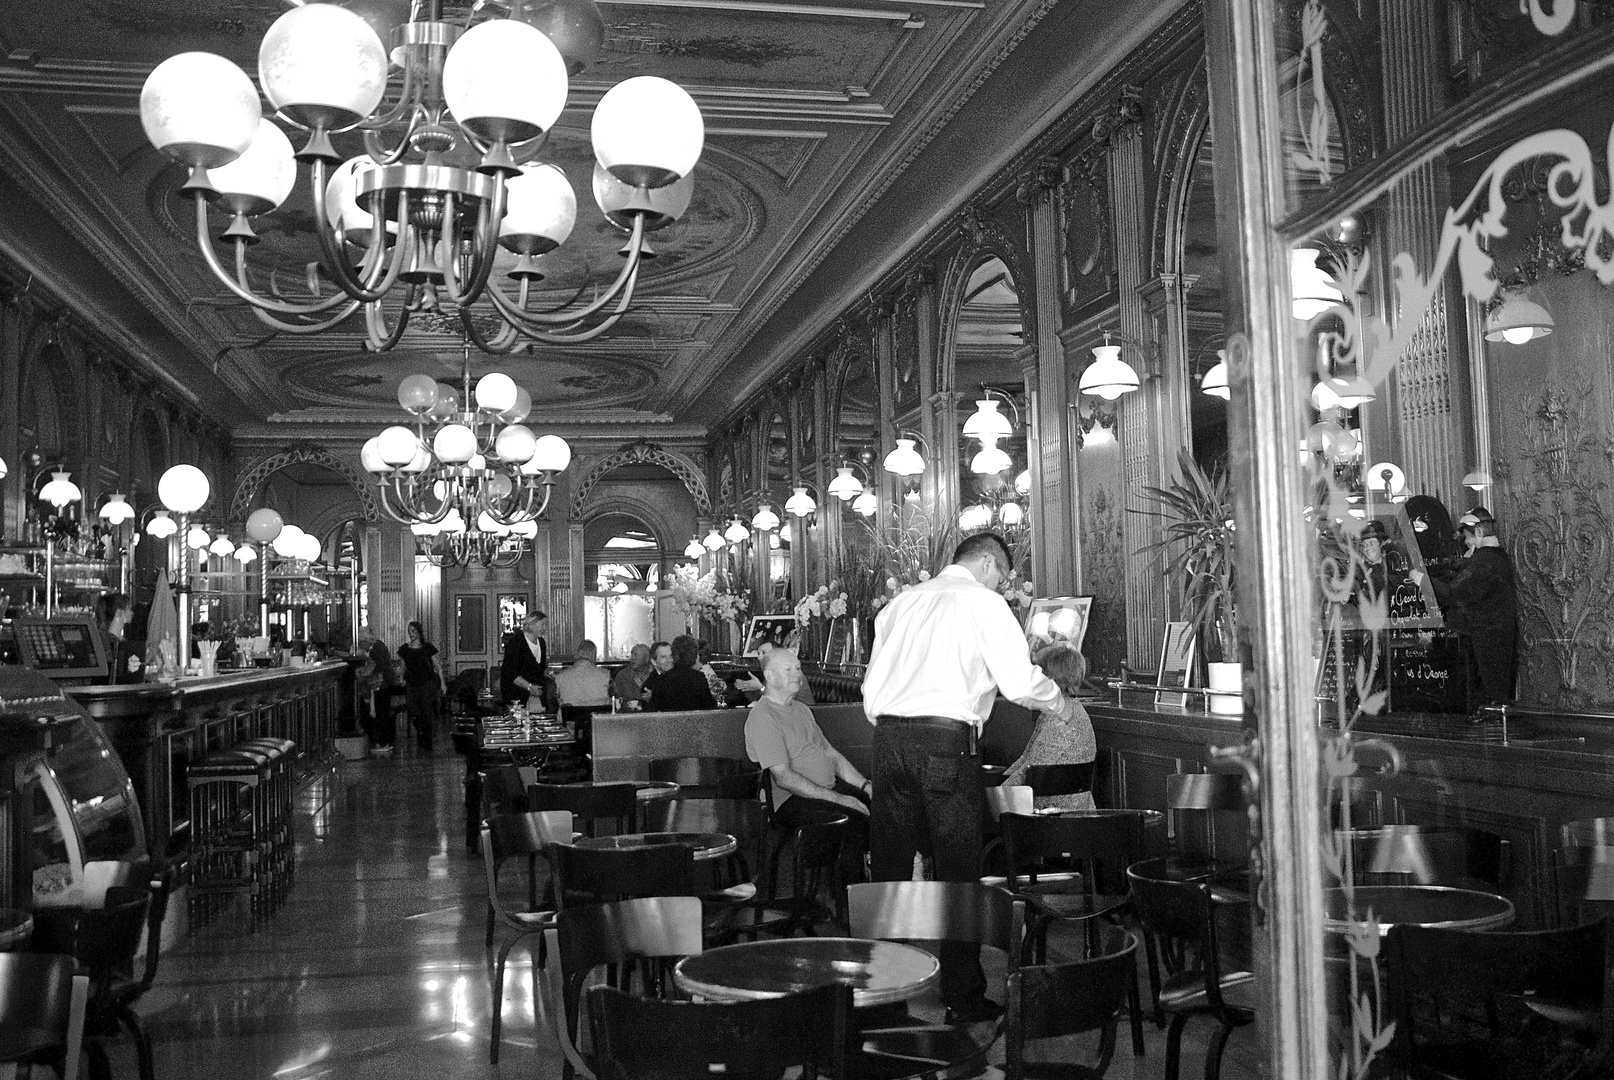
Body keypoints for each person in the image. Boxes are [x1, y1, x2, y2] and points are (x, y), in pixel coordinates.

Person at [862, 532, 1078, 1025]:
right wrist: (1060, 703)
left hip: (888, 744)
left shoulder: (899, 605)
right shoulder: (981, 602)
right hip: (944, 744)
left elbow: (871, 683)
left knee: (890, 872)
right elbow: (1019, 681)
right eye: (1001, 578)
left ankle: (882, 998)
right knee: (957, 871)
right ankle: (962, 995)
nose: (1002, 587)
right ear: (986, 565)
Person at [745, 647, 869, 866]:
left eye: (798, 668)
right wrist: (839, 799)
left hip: (824, 791)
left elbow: (831, 754)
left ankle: (888, 880)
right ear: (770, 676)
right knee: (854, 820)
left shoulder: (802, 709)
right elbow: (783, 777)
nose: (797, 674)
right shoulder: (763, 717)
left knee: (884, 805)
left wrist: (865, 786)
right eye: (789, 669)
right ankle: (849, 892)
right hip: (792, 802)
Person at [1418, 507, 1518, 706]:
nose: (1465, 542)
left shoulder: (1485, 562)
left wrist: (1422, 580)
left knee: (1489, 693)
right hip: (1493, 638)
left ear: (1479, 533)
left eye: (1467, 537)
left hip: (1487, 641)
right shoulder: (1492, 559)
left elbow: (1453, 593)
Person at [1000, 642, 1096, 811]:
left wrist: (995, 795)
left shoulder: (1059, 718)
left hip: (1056, 815)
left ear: (1050, 677)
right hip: (1069, 811)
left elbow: (1030, 771)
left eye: (1039, 672)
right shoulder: (1068, 708)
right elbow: (1026, 761)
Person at [396, 621, 444, 752]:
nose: (411, 634)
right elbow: (402, 665)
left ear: (419, 632)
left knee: (426, 710)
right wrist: (401, 678)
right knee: (413, 708)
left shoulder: (427, 648)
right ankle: (420, 730)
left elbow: (437, 666)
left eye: (413, 631)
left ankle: (426, 737)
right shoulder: (405, 649)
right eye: (409, 631)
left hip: (426, 682)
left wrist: (443, 684)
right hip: (411, 682)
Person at [641, 634, 716, 711]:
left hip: (668, 722)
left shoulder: (662, 680)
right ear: (693, 655)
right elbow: (708, 707)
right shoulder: (698, 678)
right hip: (694, 722)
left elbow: (652, 710)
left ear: (674, 655)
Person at [734, 641, 816, 704]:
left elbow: (782, 699)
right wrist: (746, 686)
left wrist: (760, 688)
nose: (759, 657)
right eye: (758, 653)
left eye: (764, 653)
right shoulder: (771, 672)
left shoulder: (791, 671)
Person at [499, 610, 548, 710]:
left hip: (536, 695)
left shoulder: (542, 643)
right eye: (542, 625)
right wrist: (529, 687)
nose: (544, 629)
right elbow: (511, 673)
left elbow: (541, 668)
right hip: (516, 694)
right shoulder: (516, 643)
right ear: (532, 625)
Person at [94, 592, 143, 684]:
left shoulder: (100, 638)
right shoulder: (117, 645)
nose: (132, 612)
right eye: (129, 609)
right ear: (120, 613)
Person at [554, 639, 612, 708]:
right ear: (592, 654)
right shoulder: (606, 675)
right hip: (597, 717)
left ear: (579, 653)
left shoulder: (560, 676)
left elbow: (554, 699)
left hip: (571, 717)